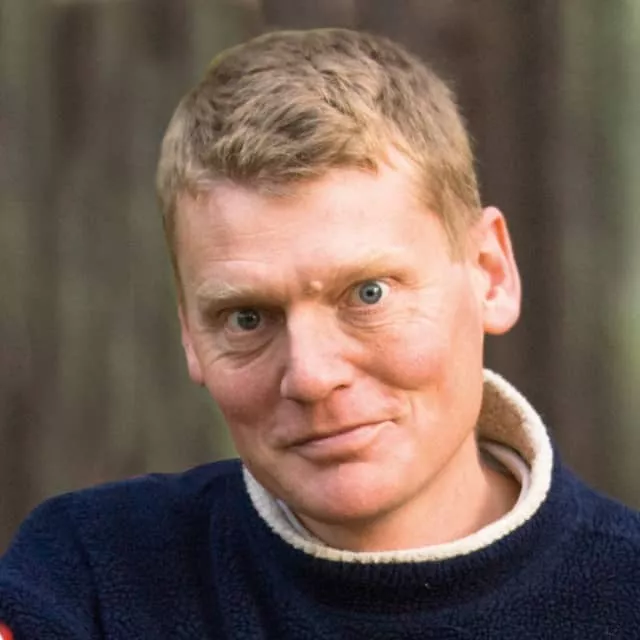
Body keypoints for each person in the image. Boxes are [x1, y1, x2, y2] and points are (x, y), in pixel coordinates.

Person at [1, 28, 638, 639]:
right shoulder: (89, 579)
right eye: (247, 318)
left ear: (490, 274)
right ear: (190, 334)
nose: (310, 375)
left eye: (368, 293)